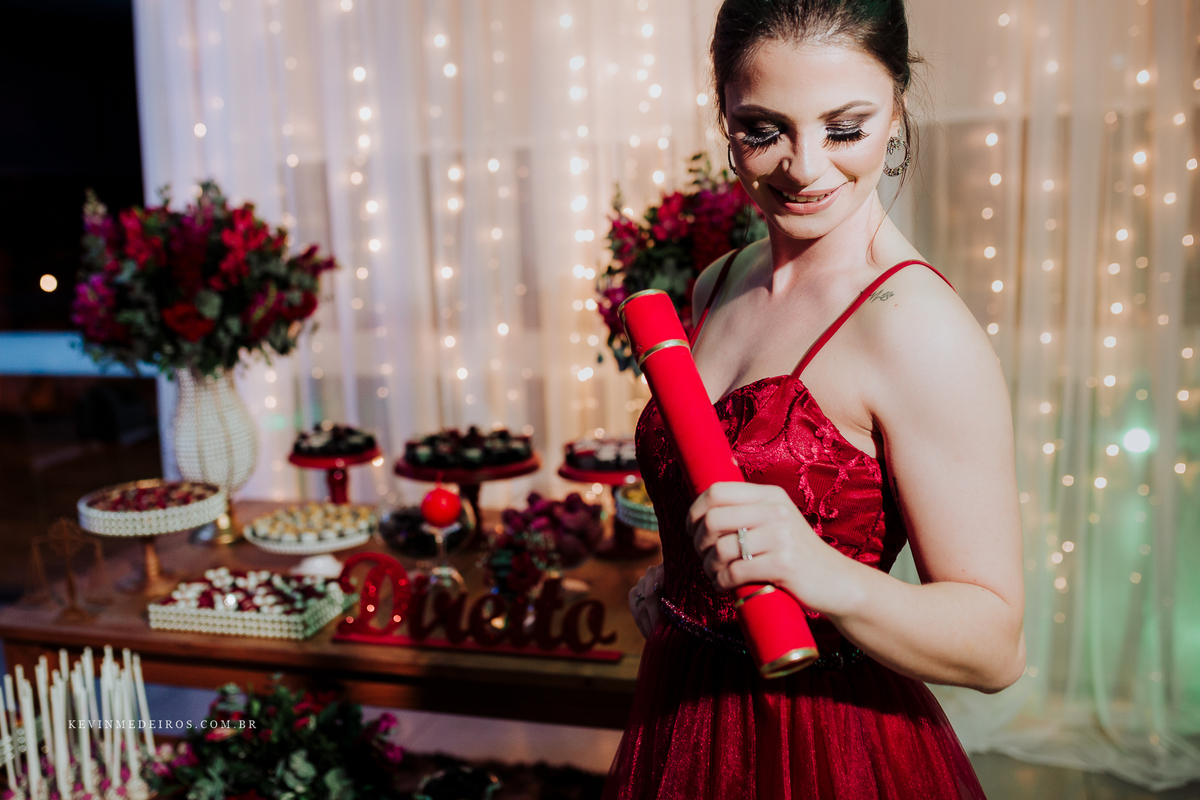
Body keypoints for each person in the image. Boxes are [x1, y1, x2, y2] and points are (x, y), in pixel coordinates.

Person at [603, 1, 1025, 798]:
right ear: (724, 115)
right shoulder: (718, 282)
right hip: (681, 716)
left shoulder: (916, 328)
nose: (804, 168)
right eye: (764, 130)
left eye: (845, 128)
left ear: (897, 109)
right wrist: (680, 587)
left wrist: (821, 573)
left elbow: (996, 647)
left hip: (827, 744)